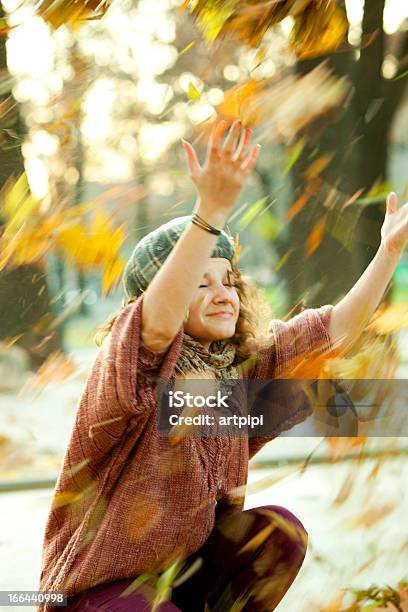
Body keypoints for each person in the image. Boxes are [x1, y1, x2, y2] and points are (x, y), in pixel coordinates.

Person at [38, 119, 408, 612]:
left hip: (182, 581)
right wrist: (207, 214)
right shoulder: (132, 372)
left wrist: (388, 253)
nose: (222, 294)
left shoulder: (238, 377)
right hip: (96, 595)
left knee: (277, 533)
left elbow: (334, 331)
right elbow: (154, 327)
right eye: (200, 282)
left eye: (228, 280)